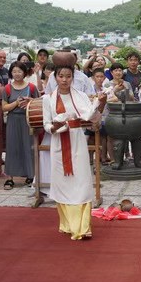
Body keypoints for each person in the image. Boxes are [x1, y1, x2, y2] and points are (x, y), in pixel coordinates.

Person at [43, 65, 106, 240]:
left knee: (81, 180)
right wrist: (53, 127)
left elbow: (93, 117)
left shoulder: (81, 96)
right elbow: (46, 124)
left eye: (68, 76)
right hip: (59, 143)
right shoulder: (48, 99)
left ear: (73, 77)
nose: (64, 80)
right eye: (61, 76)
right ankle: (67, 224)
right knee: (63, 182)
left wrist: (100, 102)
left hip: (77, 140)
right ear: (55, 77)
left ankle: (83, 226)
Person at [1, 61, 39, 190]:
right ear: (11, 73)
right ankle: (10, 178)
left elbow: (38, 103)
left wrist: (29, 102)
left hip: (28, 120)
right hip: (13, 120)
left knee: (29, 148)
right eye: (14, 71)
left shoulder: (32, 87)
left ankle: (30, 175)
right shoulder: (7, 88)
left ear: (24, 72)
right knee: (12, 148)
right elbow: (4, 107)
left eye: (19, 71)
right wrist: (16, 103)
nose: (17, 74)